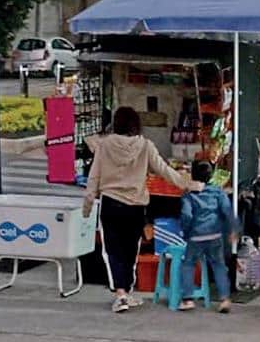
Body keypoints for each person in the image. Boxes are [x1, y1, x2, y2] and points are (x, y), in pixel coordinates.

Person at [83, 107, 200, 314]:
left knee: (113, 251)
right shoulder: (145, 146)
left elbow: (94, 176)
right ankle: (125, 293)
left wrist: (88, 205)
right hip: (136, 206)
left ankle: (121, 294)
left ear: (116, 124)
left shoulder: (105, 145)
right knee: (130, 251)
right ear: (136, 125)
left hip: (111, 204)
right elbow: (164, 170)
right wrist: (188, 185)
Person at [178, 183, 238, 313]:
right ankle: (224, 299)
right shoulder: (217, 192)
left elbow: (187, 215)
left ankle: (188, 299)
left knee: (188, 264)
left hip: (195, 237)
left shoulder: (189, 194)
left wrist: (186, 232)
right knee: (219, 266)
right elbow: (227, 210)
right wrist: (233, 229)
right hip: (215, 235)